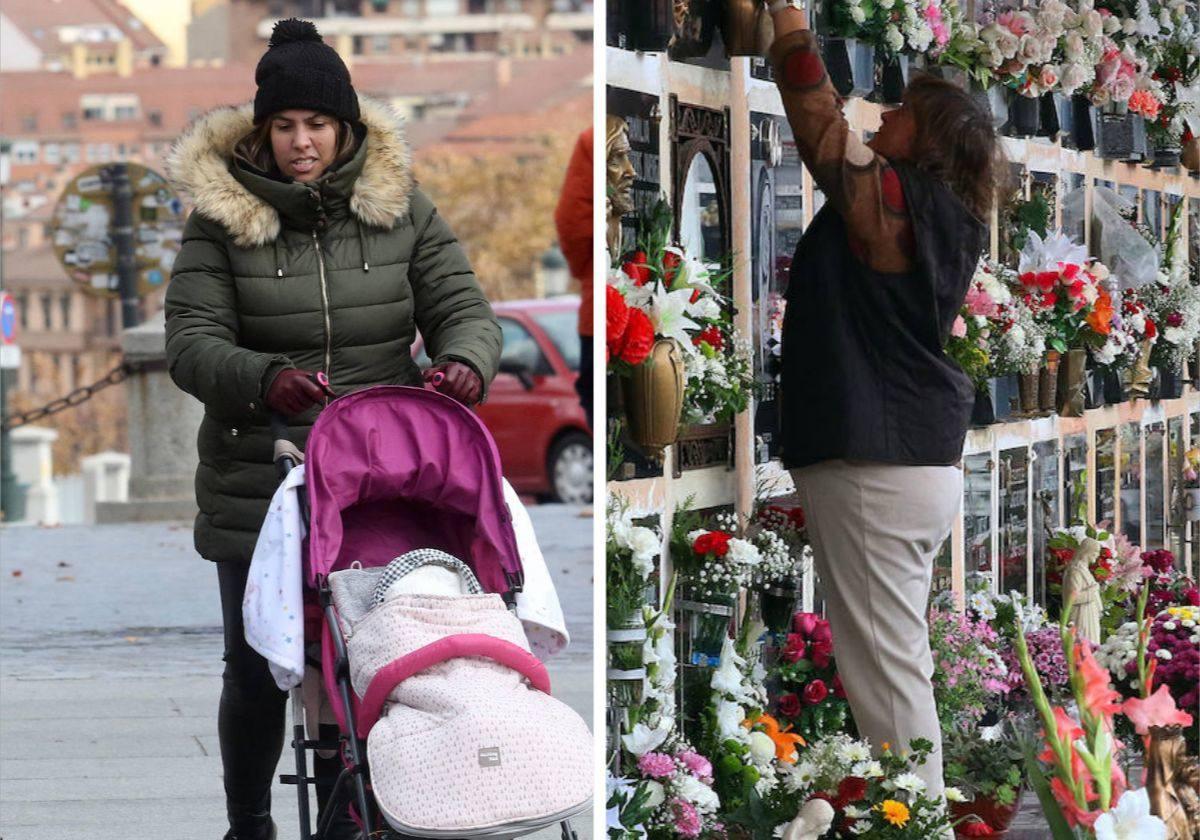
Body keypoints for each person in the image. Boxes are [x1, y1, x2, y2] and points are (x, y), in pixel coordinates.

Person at [163, 19, 501, 840]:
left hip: (377, 474)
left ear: (345, 129)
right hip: (260, 468)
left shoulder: (399, 208)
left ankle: (352, 819)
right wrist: (263, 381)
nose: (300, 142)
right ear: (261, 131)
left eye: (316, 124)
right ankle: (249, 824)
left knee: (370, 652)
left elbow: (462, 306)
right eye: (284, 126)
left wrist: (463, 363)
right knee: (256, 665)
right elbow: (192, 341)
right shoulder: (220, 222)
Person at [762, 1, 1002, 802]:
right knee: (899, 662)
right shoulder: (946, 214)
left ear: (924, 141)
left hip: (878, 459)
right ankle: (910, 812)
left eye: (901, 113)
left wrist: (790, 28)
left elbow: (823, 137)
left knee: (890, 676)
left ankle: (917, 819)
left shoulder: (898, 205)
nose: (885, 116)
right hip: (906, 458)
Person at [555, 126, 594, 427]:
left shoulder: (590, 140)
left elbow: (573, 221)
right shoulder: (591, 139)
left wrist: (586, 272)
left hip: (596, 317)